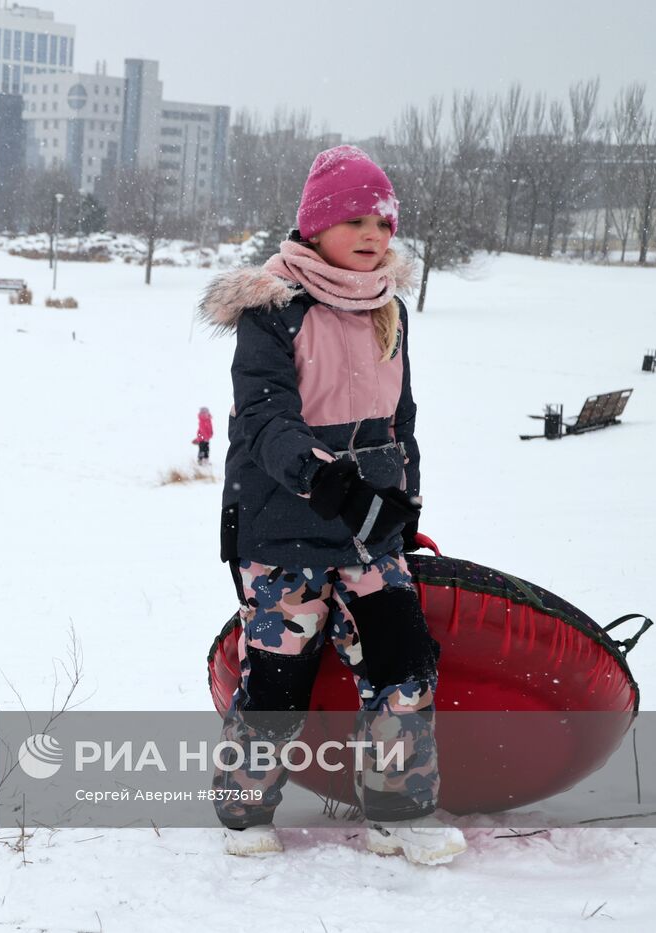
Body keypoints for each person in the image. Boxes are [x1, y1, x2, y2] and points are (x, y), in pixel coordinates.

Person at [197, 146, 464, 865]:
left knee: (403, 660)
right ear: (315, 227)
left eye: (383, 219)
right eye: (354, 218)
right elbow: (262, 421)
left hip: (370, 532)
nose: (374, 232)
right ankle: (246, 809)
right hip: (285, 529)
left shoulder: (390, 310)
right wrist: (333, 486)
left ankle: (398, 812)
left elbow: (398, 424)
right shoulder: (272, 310)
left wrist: (401, 505)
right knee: (280, 676)